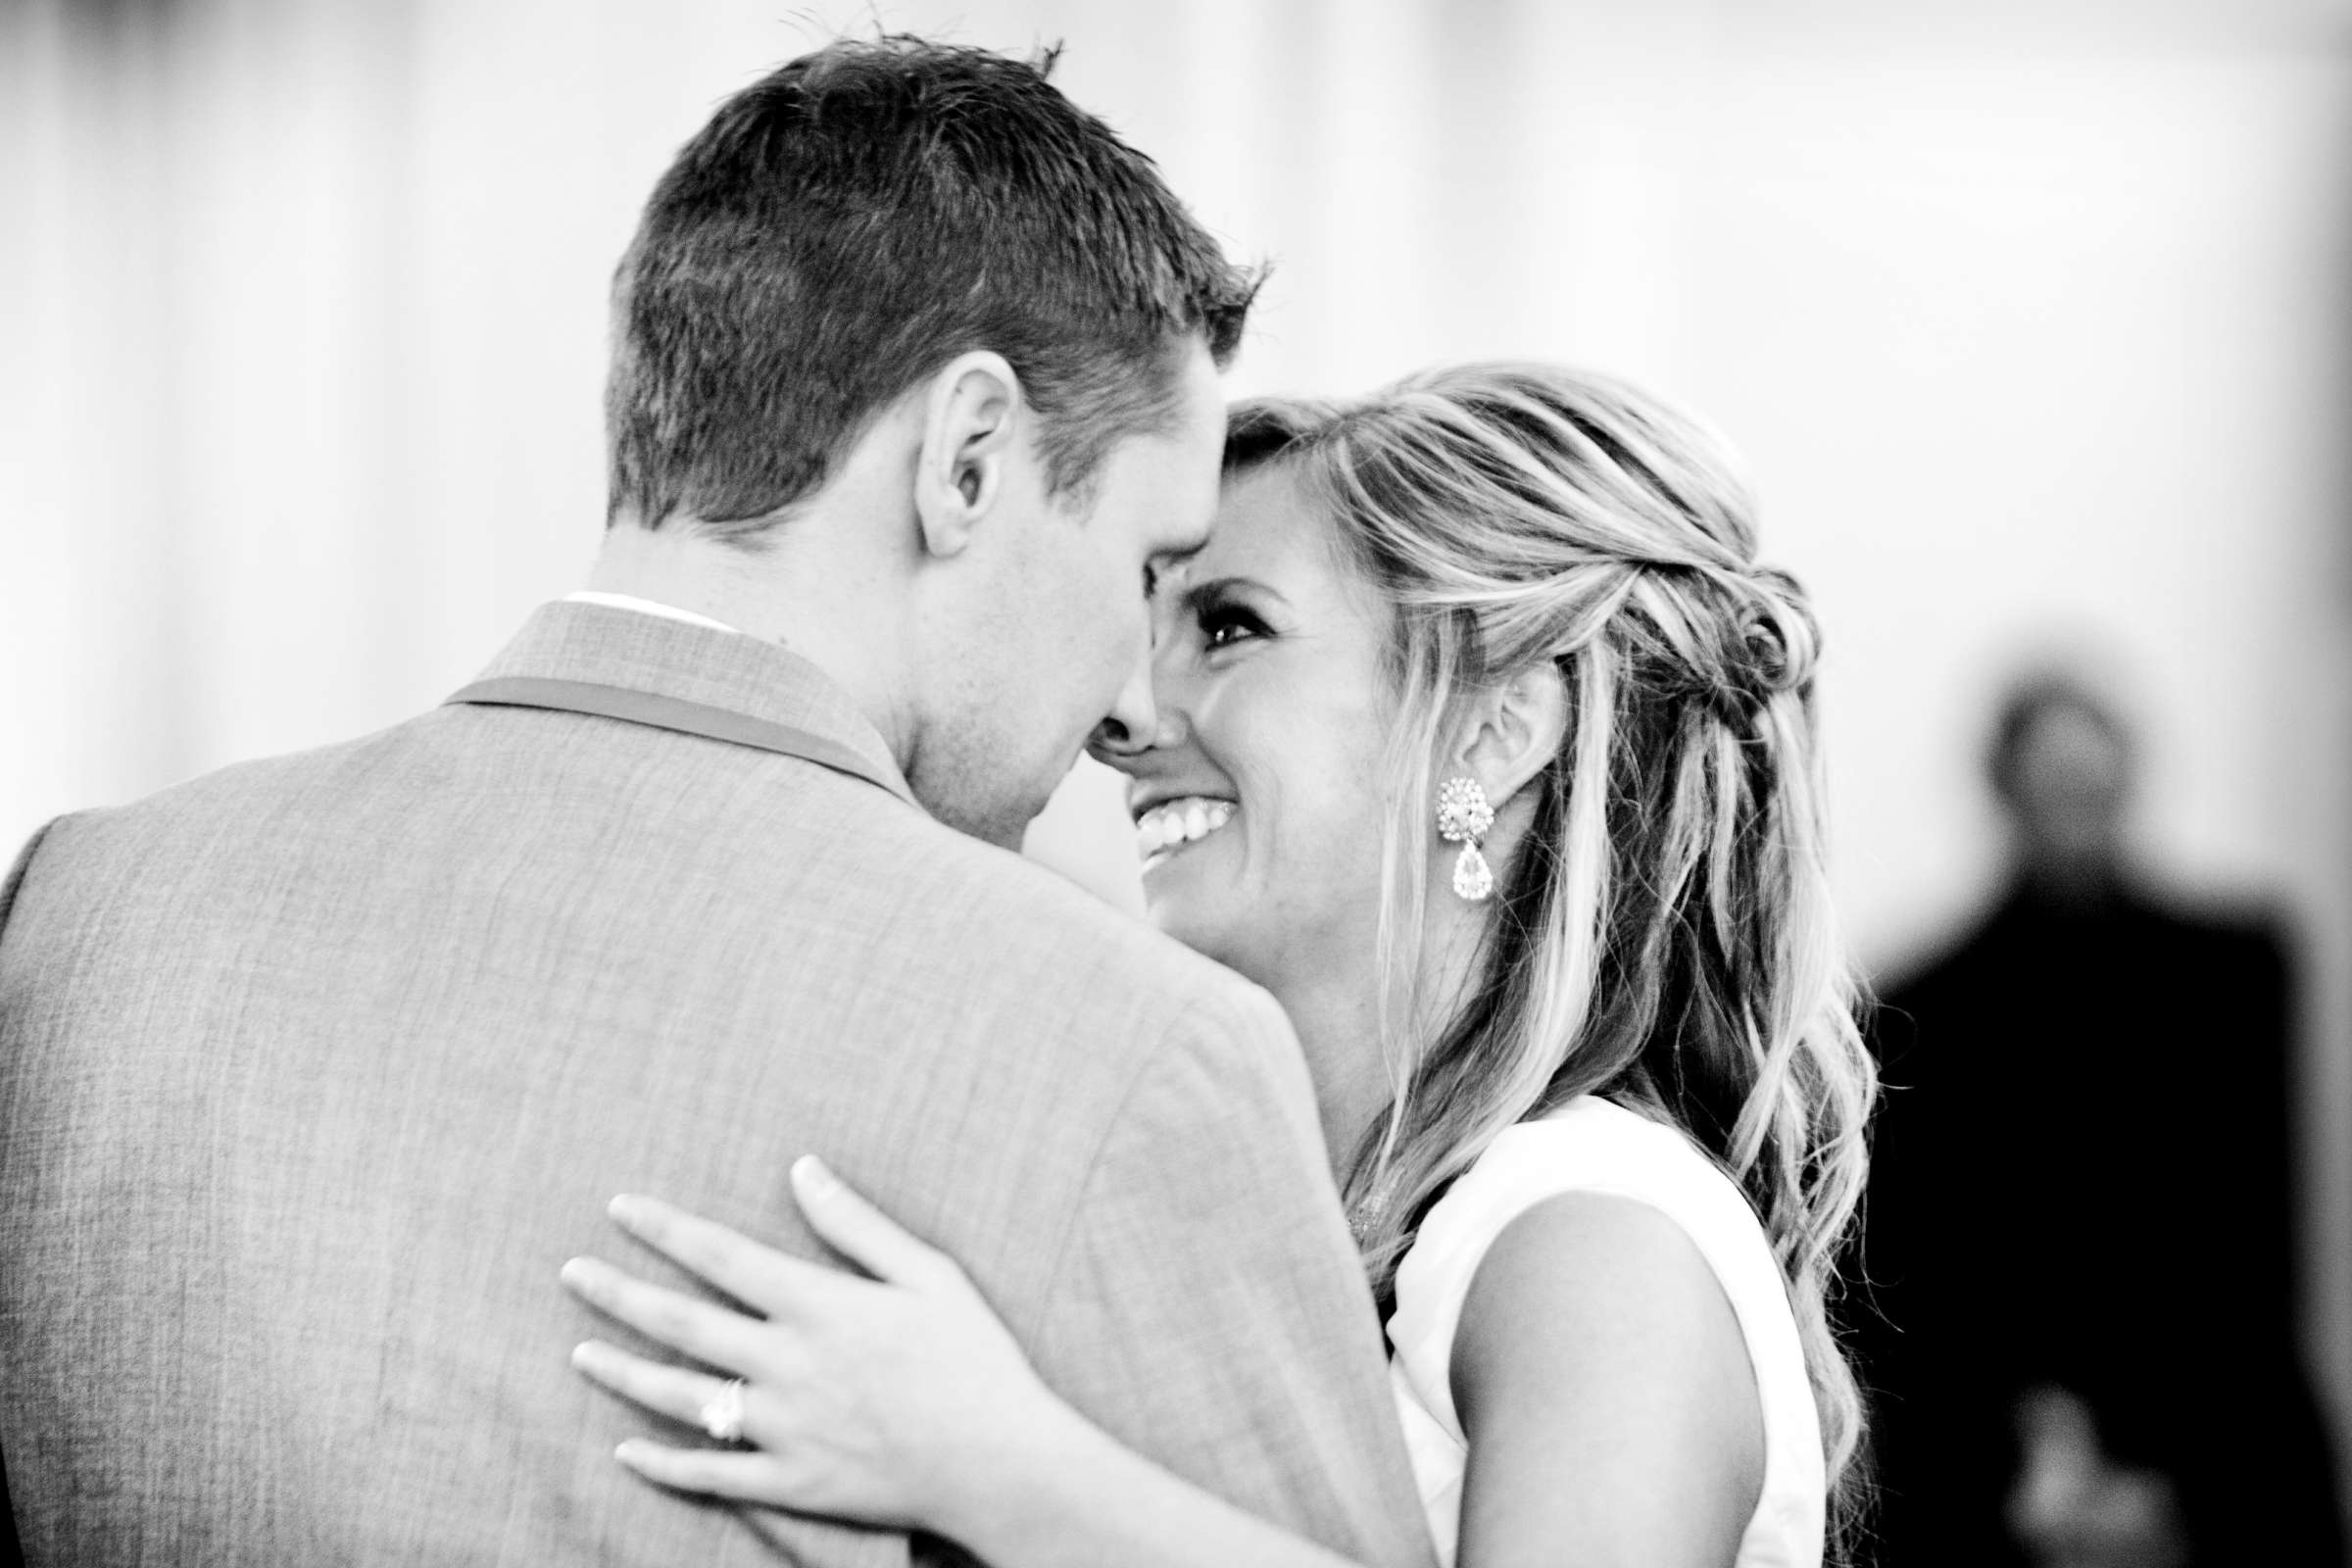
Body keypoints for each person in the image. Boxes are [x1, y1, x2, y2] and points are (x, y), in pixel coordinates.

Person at [0, 40, 1433, 1568]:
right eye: (1147, 565)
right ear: (968, 460)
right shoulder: (1146, 1056)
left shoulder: (82, 918)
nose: (1136, 706)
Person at [561, 365, 1882, 1568]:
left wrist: (988, 1460)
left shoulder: (1594, 1229)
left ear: (1491, 735)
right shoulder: (1318, 1209)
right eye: (1150, 623)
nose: (1126, 714)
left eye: (1233, 628)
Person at [1859, 672, 2346, 1568]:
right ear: (2003, 794)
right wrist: (2040, 1452)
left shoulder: (2237, 972)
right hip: (1996, 1463)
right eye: (2053, 788)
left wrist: (2178, 1472)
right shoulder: (1920, 1007)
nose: (2076, 811)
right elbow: (1923, 1275)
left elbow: (2260, 1236)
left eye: (2092, 786)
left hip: (2226, 1443)